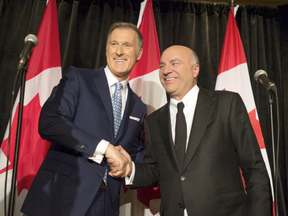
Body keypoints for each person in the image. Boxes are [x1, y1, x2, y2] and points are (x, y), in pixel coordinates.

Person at [109, 45, 272, 216]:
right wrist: (129, 169)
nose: (166, 70)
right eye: (162, 66)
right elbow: (156, 171)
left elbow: (254, 167)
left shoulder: (226, 103)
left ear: (195, 70)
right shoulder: (154, 121)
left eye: (175, 63)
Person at [21, 22, 146, 216]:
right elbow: (50, 122)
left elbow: (135, 151)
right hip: (62, 197)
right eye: (114, 44)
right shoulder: (79, 78)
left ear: (139, 53)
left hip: (106, 203)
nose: (119, 51)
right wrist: (104, 148)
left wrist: (129, 166)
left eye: (127, 45)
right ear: (106, 50)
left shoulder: (138, 107)